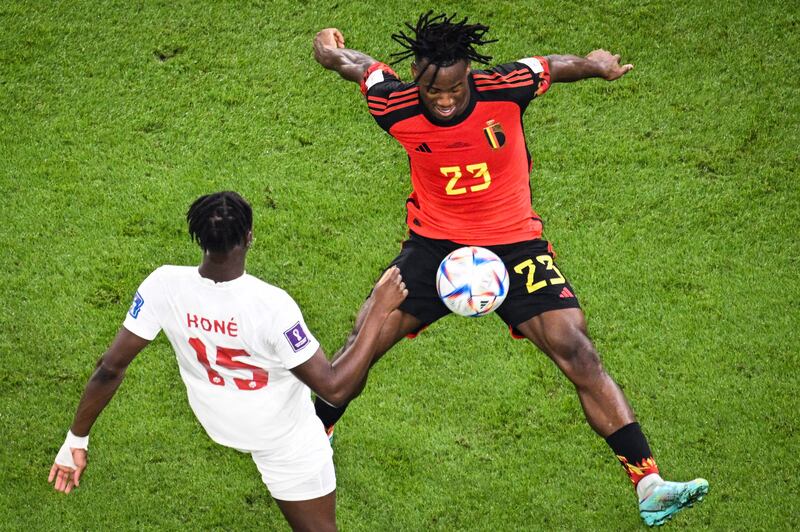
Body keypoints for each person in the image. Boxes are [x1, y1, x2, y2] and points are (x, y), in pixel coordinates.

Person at [312, 12, 708, 527]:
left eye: (456, 88)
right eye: (433, 90)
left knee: (577, 348)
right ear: (417, 75)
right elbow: (359, 65)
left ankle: (649, 484)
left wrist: (596, 65)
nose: (446, 99)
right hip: (433, 245)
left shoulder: (505, 87)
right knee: (364, 338)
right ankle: (309, 438)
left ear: (470, 75)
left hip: (517, 246)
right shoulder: (394, 104)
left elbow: (554, 66)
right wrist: (327, 49)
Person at [48, 191, 407, 532]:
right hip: (284, 441)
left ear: (198, 236)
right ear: (249, 237)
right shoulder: (271, 307)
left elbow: (109, 368)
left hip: (219, 426)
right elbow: (334, 387)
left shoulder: (163, 286)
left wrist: (75, 440)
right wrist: (378, 308)